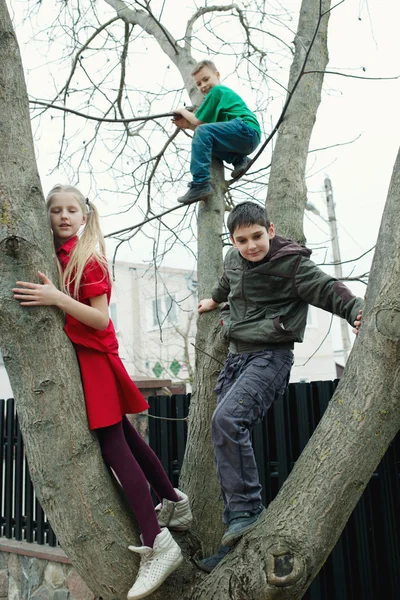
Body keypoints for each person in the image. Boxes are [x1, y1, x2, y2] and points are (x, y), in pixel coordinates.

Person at [12, 184, 192, 600]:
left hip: (96, 360)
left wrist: (56, 297)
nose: (62, 216)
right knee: (125, 435)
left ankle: (157, 542)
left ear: (84, 216)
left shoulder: (87, 258)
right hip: (87, 362)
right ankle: (173, 499)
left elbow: (98, 319)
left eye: (71, 209)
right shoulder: (57, 256)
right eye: (54, 210)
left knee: (113, 446)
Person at [196, 201, 363, 571]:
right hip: (236, 357)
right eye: (243, 240)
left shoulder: (292, 265)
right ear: (233, 241)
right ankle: (235, 534)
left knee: (227, 422)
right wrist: (214, 300)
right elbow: (227, 283)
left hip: (270, 357)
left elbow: (327, 289)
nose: (252, 245)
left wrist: (356, 310)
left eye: (257, 236)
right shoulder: (233, 259)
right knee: (223, 437)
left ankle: (248, 511)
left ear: (270, 231)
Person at [172, 59, 261, 204]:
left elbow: (199, 122)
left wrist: (182, 111)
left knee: (202, 133)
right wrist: (187, 126)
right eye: (199, 84)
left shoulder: (217, 91)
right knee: (206, 144)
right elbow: (206, 131)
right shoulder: (217, 100)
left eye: (206, 79)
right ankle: (240, 160)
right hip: (246, 139)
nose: (204, 86)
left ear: (217, 75)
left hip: (245, 129)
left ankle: (200, 184)